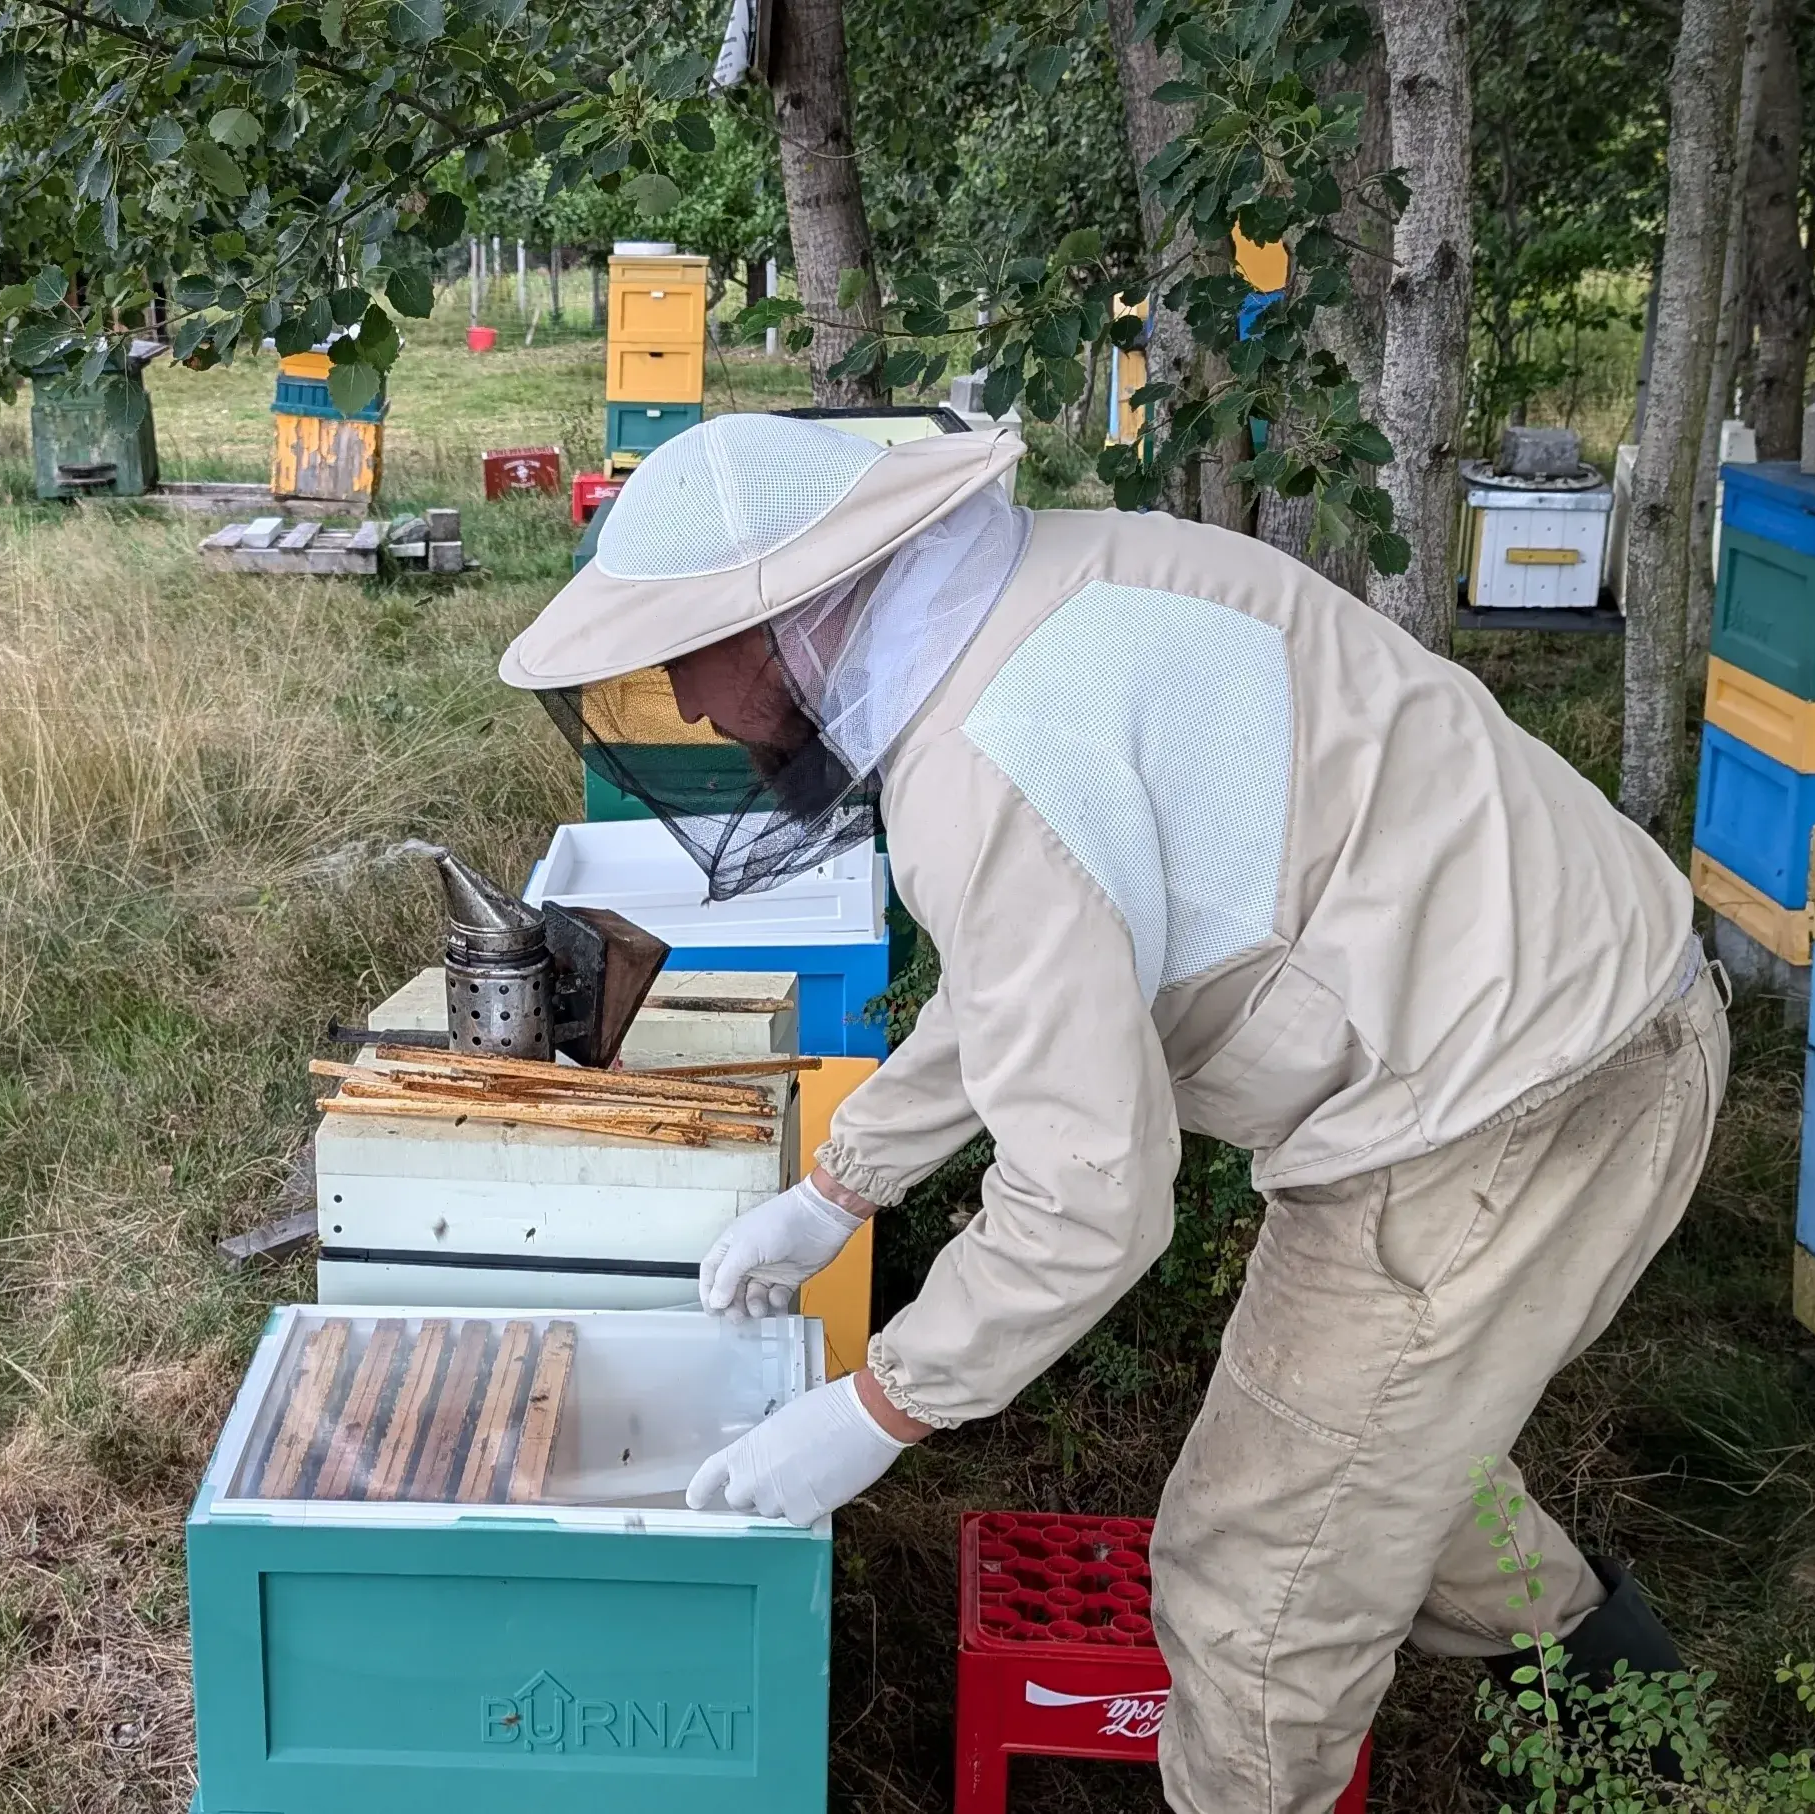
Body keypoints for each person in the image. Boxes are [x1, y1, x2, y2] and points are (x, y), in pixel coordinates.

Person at [499, 413, 1725, 1814]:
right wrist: (838, 1187)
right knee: (1388, 1473)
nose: (692, 704)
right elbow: (1036, 979)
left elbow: (1091, 1196)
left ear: (788, 609)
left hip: (1501, 1099)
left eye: (688, 654)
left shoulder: (990, 756)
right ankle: (1655, 1770)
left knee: (1252, 1574)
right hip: (1575, 1013)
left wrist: (878, 1404)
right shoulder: (1037, 599)